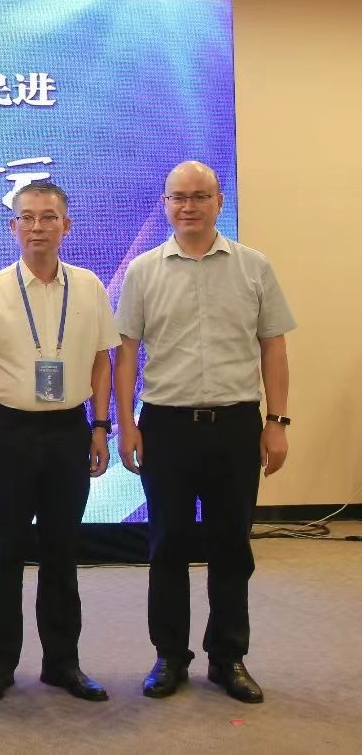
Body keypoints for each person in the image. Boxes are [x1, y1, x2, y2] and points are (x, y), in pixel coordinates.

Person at [115, 160, 295, 704]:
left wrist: (277, 423)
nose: (188, 206)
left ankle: (228, 657)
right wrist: (126, 424)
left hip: (235, 425)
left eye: (199, 196)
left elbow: (273, 347)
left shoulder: (253, 266)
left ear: (219, 202)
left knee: (231, 545)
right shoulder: (143, 270)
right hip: (166, 426)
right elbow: (126, 353)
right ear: (165, 204)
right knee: (167, 544)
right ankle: (170, 656)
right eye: (178, 197)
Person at [0, 182, 119, 704]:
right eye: (27, 218)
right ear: (13, 227)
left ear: (65, 226)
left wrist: (101, 427)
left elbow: (102, 361)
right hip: (8, 432)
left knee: (61, 552)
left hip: (69, 432)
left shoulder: (90, 287)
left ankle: (62, 663)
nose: (37, 227)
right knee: (3, 555)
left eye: (48, 217)